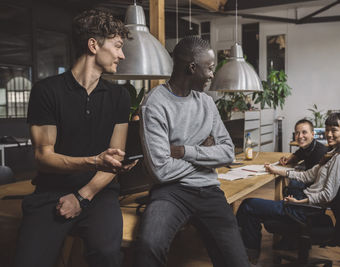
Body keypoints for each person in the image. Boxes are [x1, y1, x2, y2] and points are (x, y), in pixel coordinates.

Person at [14, 9, 135, 267]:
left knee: (106, 255)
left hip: (100, 193)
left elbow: (113, 160)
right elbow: (43, 157)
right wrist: (94, 161)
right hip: (51, 192)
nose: (122, 55)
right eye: (117, 46)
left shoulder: (120, 97)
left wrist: (82, 196)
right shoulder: (46, 91)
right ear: (93, 45)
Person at [134, 36, 249, 267]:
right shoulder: (154, 103)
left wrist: (187, 151)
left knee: (236, 261)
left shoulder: (206, 102)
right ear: (192, 67)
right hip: (171, 192)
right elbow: (161, 172)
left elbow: (228, 153)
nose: (212, 75)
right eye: (210, 68)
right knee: (148, 246)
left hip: (209, 190)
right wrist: (206, 154)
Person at [236, 112, 340, 264]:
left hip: (304, 209)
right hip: (304, 205)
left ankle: (246, 257)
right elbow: (307, 176)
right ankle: (248, 252)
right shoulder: (332, 154)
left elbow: (327, 195)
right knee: (255, 207)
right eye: (327, 129)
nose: (329, 134)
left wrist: (301, 202)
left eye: (334, 130)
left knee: (248, 206)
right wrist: (277, 170)